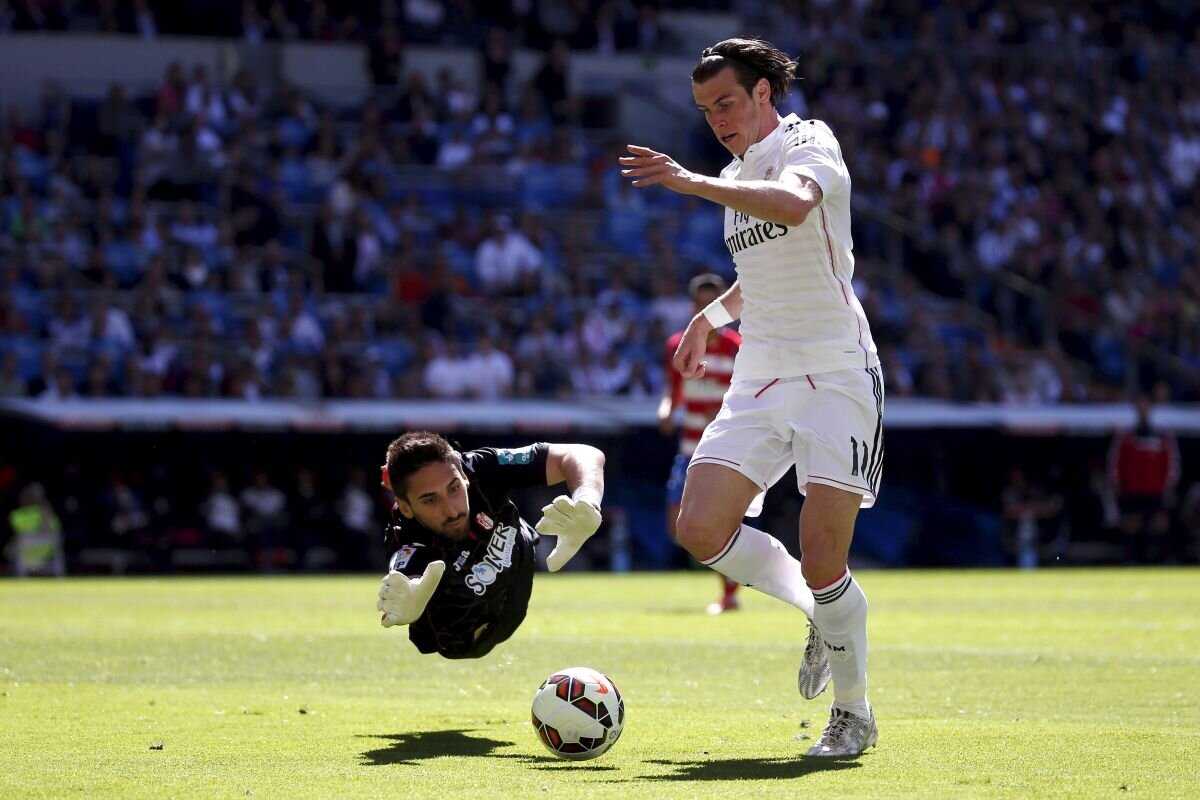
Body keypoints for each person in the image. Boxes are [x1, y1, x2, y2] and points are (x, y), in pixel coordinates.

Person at [619, 36, 883, 757]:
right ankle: (819, 615)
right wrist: (708, 318)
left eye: (727, 103)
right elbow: (759, 275)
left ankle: (853, 714)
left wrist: (690, 182)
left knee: (824, 556)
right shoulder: (737, 175)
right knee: (698, 527)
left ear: (764, 93)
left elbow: (795, 208)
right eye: (706, 110)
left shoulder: (809, 142)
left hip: (835, 371)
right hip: (762, 373)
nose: (717, 120)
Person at [376, 431, 605, 659]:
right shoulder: (405, 537)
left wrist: (588, 500)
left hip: (518, 561)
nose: (452, 510)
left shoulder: (478, 467)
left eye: (454, 488)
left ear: (463, 475)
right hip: (466, 636)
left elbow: (583, 454)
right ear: (405, 507)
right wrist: (408, 599)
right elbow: (407, 576)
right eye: (430, 500)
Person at [658, 272, 744, 614]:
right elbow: (674, 391)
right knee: (676, 522)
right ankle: (733, 571)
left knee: (719, 522)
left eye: (714, 303)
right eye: (701, 304)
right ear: (693, 307)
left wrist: (721, 412)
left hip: (724, 449)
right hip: (689, 448)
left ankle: (729, 593)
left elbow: (747, 397)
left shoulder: (738, 347)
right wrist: (666, 410)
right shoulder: (676, 344)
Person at [1107, 394, 1180, 564]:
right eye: (1140, 404)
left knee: (1160, 523)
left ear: (1151, 407)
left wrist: (1170, 484)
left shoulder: (1163, 434)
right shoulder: (1126, 434)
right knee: (1132, 523)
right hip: (1132, 488)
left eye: (1146, 404)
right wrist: (1116, 483)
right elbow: (1115, 461)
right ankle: (1132, 560)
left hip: (1156, 488)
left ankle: (1162, 560)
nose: (1143, 408)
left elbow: (1172, 461)